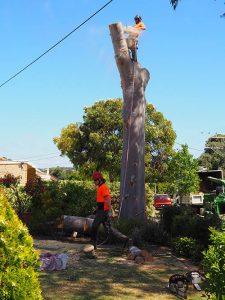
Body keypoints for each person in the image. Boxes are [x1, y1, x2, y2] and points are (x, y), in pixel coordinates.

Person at [91, 171, 112, 249]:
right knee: (109, 228)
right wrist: (96, 209)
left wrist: (109, 211)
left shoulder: (103, 187)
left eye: (95, 180)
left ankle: (93, 244)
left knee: (94, 226)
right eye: (94, 180)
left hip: (103, 211)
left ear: (99, 179)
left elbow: (107, 199)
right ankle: (123, 240)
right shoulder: (100, 187)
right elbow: (101, 201)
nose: (94, 182)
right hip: (101, 210)